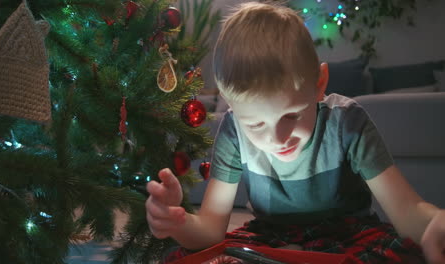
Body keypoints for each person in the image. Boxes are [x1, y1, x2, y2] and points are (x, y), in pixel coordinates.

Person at [146, 2, 445, 263]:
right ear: (231, 106)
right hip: (269, 238)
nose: (277, 138)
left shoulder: (348, 122)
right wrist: (178, 222)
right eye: (256, 124)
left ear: (320, 83)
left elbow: (407, 211)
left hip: (349, 234)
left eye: (291, 114)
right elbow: (210, 230)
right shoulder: (233, 130)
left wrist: (433, 223)